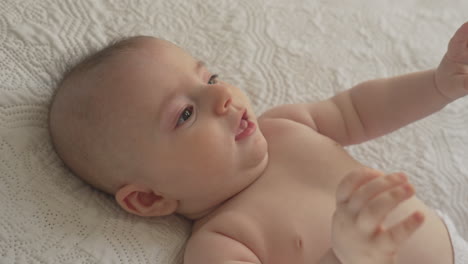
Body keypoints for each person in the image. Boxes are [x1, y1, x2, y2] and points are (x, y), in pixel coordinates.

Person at [48, 22, 468, 264]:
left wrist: (437, 85)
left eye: (209, 78)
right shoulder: (223, 242)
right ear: (148, 199)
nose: (223, 95)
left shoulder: (284, 126)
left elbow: (361, 110)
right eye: (186, 114)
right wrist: (344, 256)